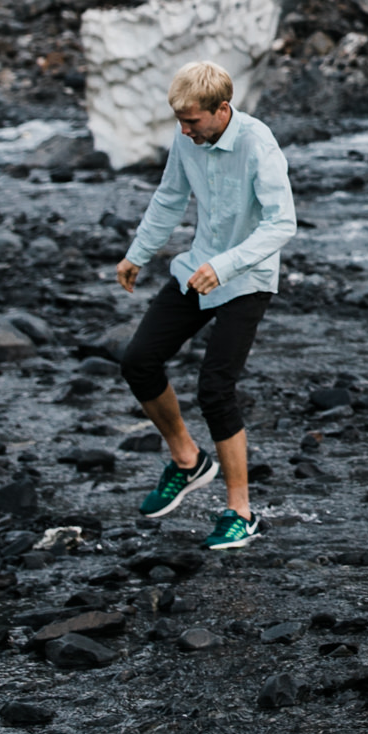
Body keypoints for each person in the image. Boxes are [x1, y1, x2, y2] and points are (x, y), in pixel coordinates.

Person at [114, 60, 296, 549]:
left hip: (248, 278)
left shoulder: (259, 144)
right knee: (139, 362)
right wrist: (137, 254)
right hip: (197, 269)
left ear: (222, 109)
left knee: (215, 387)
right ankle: (188, 461)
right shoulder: (187, 139)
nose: (184, 129)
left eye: (192, 121)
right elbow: (169, 198)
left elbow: (282, 224)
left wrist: (228, 265)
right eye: (180, 120)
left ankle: (242, 512)